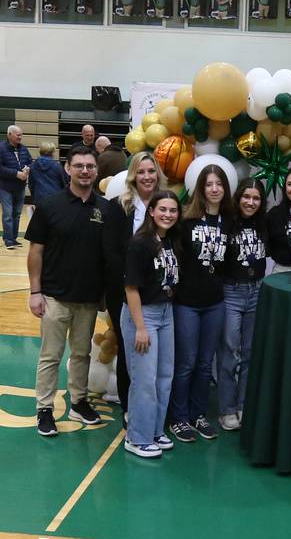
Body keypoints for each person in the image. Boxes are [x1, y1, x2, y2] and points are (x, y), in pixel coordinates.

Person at [25, 146, 110, 436]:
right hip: (53, 297)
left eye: (89, 166)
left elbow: (106, 256)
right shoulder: (49, 206)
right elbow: (35, 252)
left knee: (82, 354)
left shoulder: (105, 209)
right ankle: (44, 409)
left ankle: (79, 401)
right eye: (79, 165)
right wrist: (35, 292)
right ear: (67, 168)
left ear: (97, 171)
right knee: (50, 355)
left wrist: (102, 294)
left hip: (87, 299)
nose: (85, 170)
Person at [168, 164, 233, 442]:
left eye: (219, 184)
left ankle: (198, 414)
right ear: (201, 189)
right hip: (187, 303)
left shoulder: (230, 223)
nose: (214, 189)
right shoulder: (186, 222)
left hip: (215, 302)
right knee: (186, 363)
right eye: (209, 184)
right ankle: (179, 418)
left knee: (206, 365)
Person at [104, 152, 168, 426]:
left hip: (158, 295)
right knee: (129, 351)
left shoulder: (165, 204)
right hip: (125, 290)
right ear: (133, 175)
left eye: (151, 171)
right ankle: (129, 407)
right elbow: (110, 251)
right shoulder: (120, 207)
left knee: (155, 356)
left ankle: (152, 407)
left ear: (158, 175)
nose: (146, 177)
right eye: (141, 171)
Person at [122, 190, 181, 458]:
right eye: (163, 210)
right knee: (144, 379)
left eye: (173, 210)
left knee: (164, 376)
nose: (168, 215)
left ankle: (155, 431)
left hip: (166, 312)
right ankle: (137, 437)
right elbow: (131, 288)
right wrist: (141, 327)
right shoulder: (140, 243)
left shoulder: (170, 241)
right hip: (142, 314)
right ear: (152, 212)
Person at [217, 178, 268, 431]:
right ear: (238, 199)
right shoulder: (227, 223)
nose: (251, 202)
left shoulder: (263, 224)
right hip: (231, 292)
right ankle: (226, 409)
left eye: (256, 198)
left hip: (257, 291)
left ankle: (243, 405)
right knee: (229, 353)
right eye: (246, 197)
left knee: (250, 353)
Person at [0, 125, 33, 249]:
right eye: (18, 135)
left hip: (20, 187)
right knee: (8, 214)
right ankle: (8, 239)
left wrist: (27, 169)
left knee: (17, 213)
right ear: (9, 135)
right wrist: (16, 173)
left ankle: (13, 238)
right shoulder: (1, 148)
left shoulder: (23, 148)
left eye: (21, 135)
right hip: (5, 187)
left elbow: (30, 161)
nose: (20, 137)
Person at [28, 141, 67, 206]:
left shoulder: (33, 166)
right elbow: (64, 183)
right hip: (55, 198)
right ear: (52, 152)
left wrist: (34, 197)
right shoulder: (57, 166)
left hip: (39, 198)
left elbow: (31, 184)